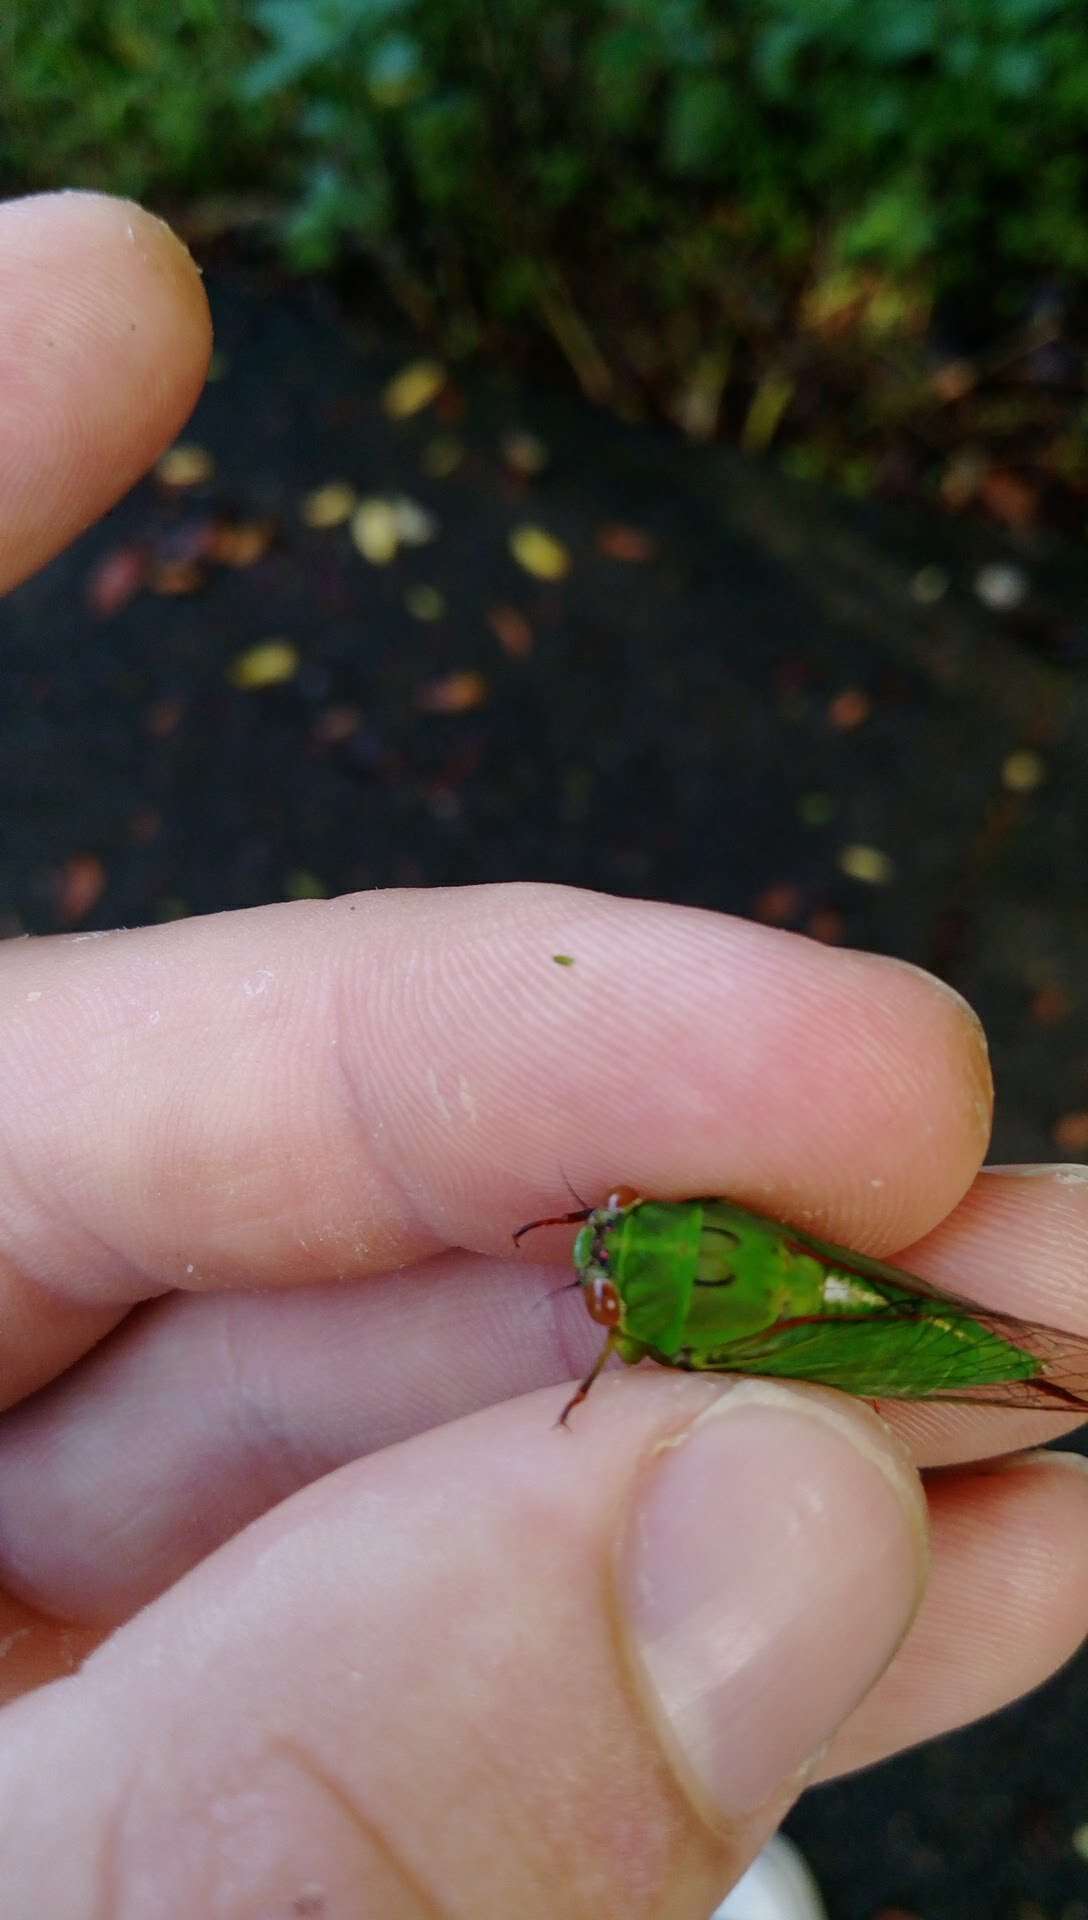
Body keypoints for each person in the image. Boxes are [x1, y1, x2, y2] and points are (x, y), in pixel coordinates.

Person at [1, 190, 1087, 1920]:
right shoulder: (659, 1267)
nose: (596, 1261)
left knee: (895, 1320)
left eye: (607, 1251)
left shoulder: (644, 1301)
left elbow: (642, 1316)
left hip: (794, 1298)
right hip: (795, 1296)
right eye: (607, 1258)